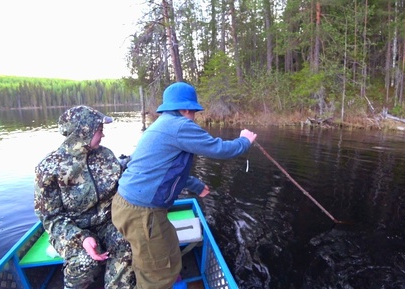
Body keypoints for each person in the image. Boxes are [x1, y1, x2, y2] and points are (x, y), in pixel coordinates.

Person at [112, 82, 257, 289]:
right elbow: (220, 149)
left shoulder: (160, 125)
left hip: (126, 206)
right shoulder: (180, 126)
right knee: (158, 274)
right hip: (143, 214)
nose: (195, 116)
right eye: (195, 112)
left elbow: (164, 170)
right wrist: (244, 141)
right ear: (187, 109)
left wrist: (196, 185)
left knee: (167, 249)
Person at [34, 105, 135, 289]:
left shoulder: (105, 155)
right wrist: (80, 238)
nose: (103, 135)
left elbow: (121, 177)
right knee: (84, 261)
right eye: (99, 130)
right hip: (72, 228)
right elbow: (50, 218)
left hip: (108, 222)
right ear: (83, 133)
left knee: (128, 243)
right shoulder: (49, 169)